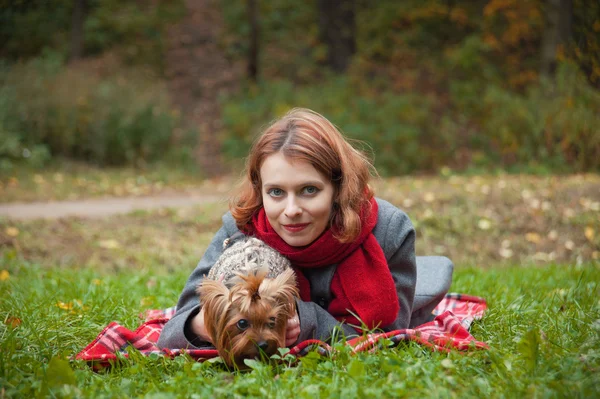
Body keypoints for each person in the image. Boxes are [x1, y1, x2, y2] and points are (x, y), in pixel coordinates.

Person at [157, 108, 453, 350]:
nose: (291, 210)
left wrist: (304, 320)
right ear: (260, 191)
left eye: (309, 190)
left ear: (338, 188)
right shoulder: (240, 229)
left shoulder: (388, 229)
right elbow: (172, 331)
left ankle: (428, 277)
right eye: (275, 192)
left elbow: (387, 334)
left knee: (421, 300)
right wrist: (208, 322)